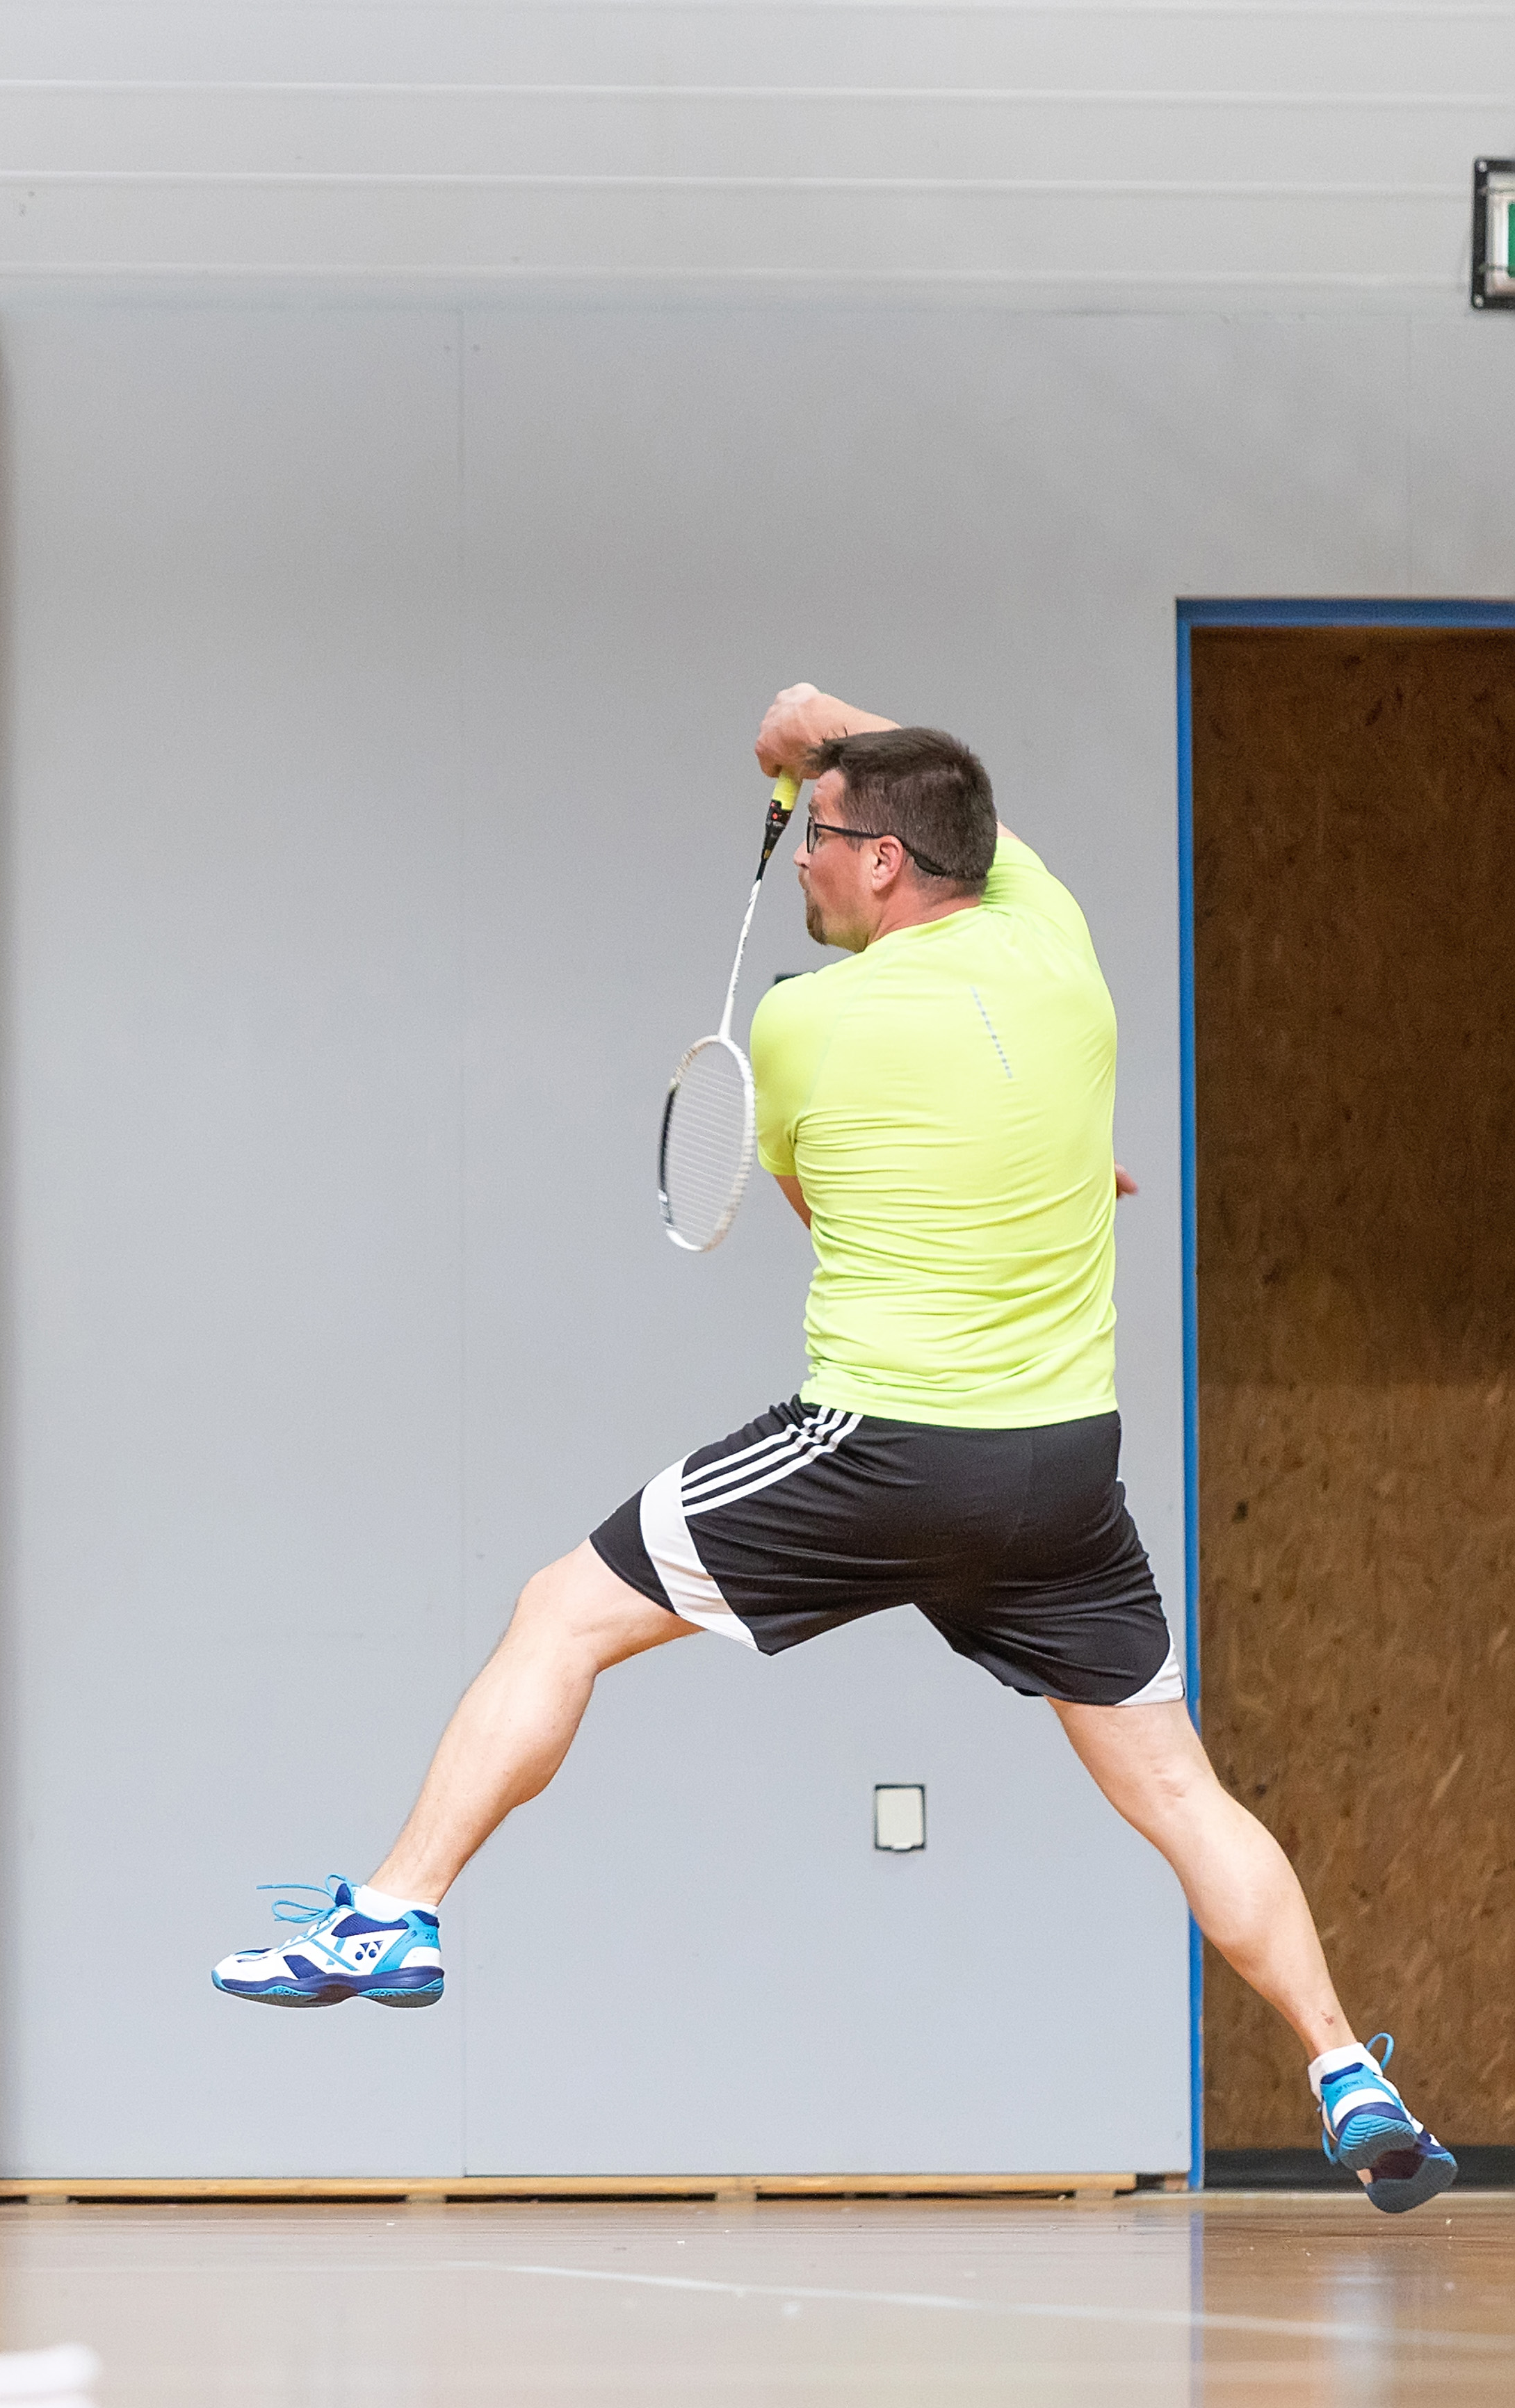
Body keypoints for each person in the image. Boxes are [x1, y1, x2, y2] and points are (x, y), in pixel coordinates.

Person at [212, 681, 1455, 2215]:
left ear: (885, 864)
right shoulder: (1059, 949)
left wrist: (802, 736)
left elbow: (829, 1215)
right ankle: (1340, 2065)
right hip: (1063, 1479)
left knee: (559, 1612)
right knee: (1180, 1792)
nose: (799, 854)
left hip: (881, 1452)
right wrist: (821, 725)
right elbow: (955, 811)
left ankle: (397, 1910)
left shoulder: (800, 1022)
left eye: (820, 833)